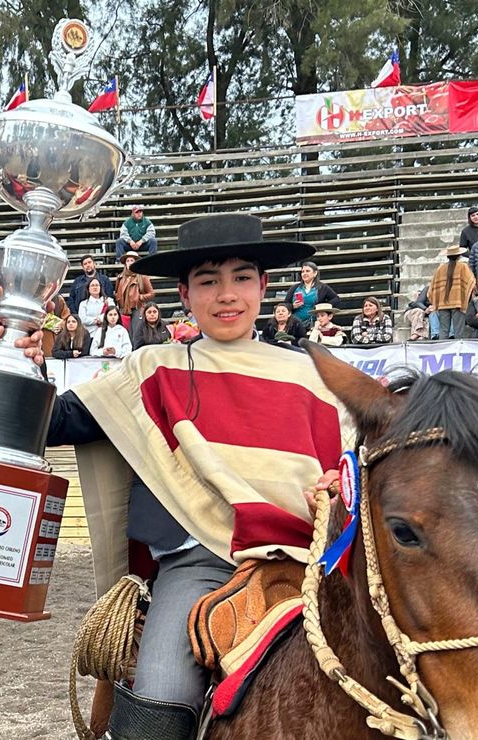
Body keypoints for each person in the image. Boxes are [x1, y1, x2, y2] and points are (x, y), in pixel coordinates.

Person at [32, 213, 348, 738]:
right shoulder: (152, 367)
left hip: (313, 562)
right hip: (198, 562)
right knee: (160, 697)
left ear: (264, 285)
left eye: (242, 277)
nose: (227, 294)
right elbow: (61, 420)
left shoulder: (314, 374)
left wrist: (340, 488)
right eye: (207, 281)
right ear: (184, 293)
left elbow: (356, 466)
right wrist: (25, 362)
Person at [428, 245, 475, 340]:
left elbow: (432, 288)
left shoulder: (440, 268)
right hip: (458, 303)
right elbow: (471, 283)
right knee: (458, 331)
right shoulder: (463, 266)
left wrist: (436, 301)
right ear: (459, 255)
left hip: (442, 304)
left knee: (443, 331)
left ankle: (443, 347)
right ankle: (458, 348)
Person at [285, 261, 339, 328]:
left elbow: (335, 299)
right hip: (296, 324)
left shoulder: (323, 287)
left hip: (316, 324)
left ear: (315, 273)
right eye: (303, 272)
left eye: (307, 271)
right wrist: (293, 306)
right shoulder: (294, 288)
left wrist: (323, 308)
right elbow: (285, 304)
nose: (304, 273)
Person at [114, 251, 154, 328]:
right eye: (127, 261)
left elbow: (151, 293)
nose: (129, 263)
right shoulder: (120, 277)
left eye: (132, 260)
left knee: (136, 331)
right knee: (124, 331)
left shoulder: (142, 277)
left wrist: (140, 297)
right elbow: (116, 292)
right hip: (123, 309)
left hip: (137, 309)